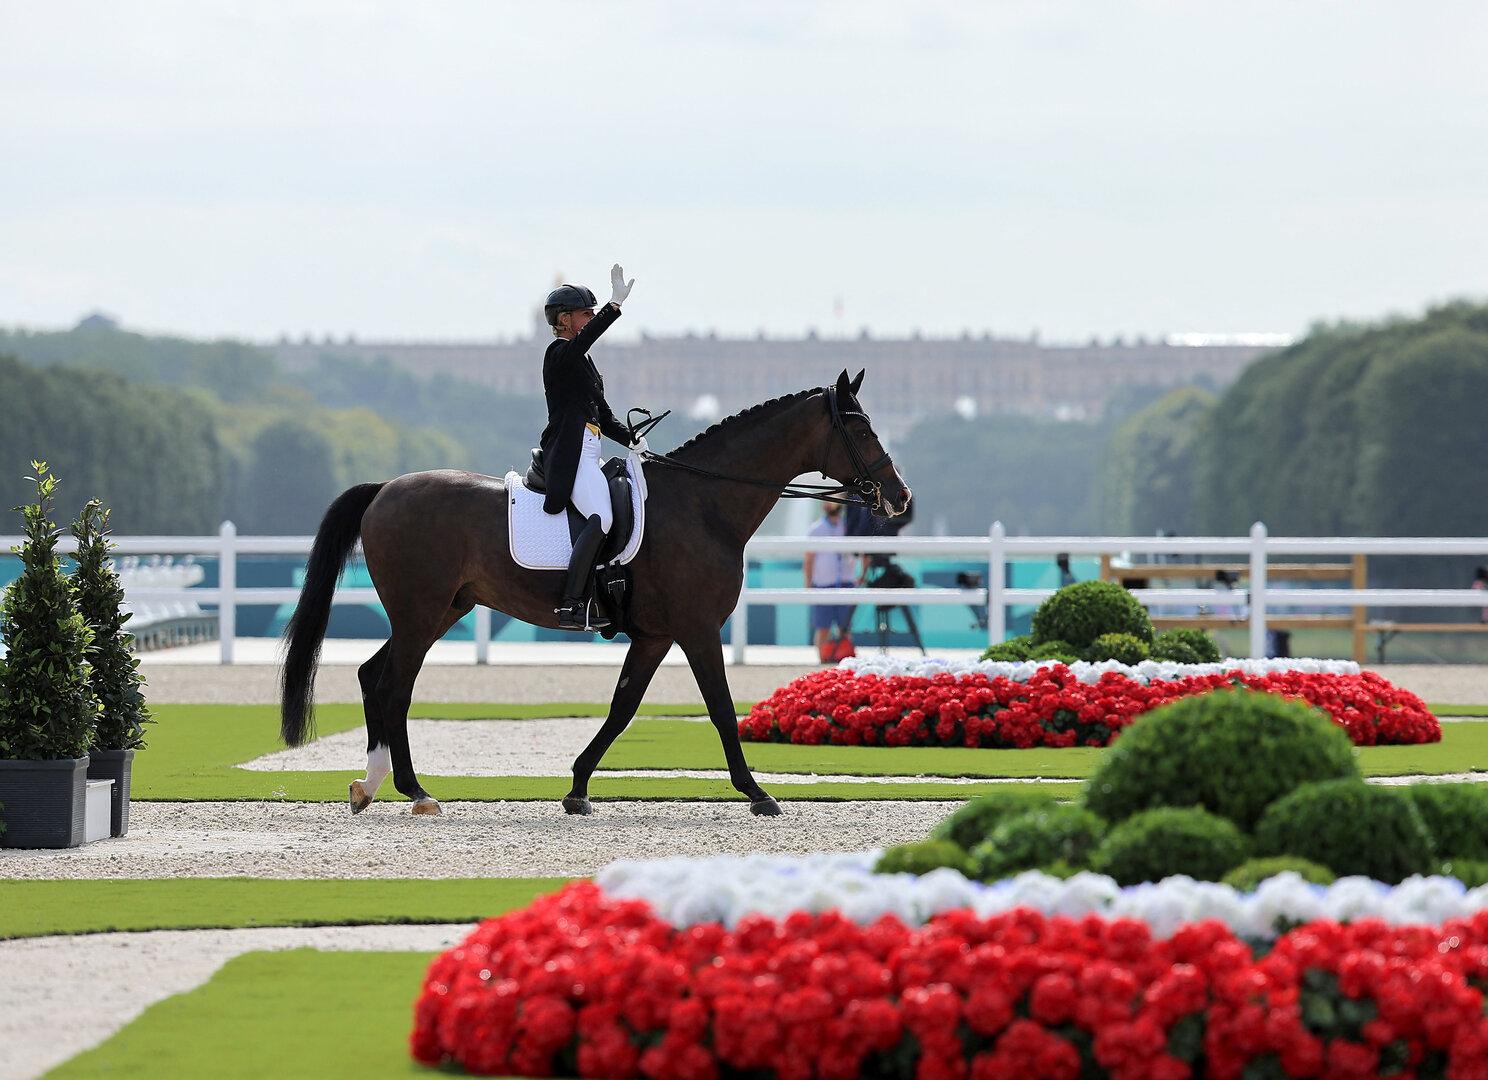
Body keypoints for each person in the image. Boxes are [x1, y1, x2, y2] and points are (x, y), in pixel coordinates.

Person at [538, 264, 642, 630]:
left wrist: (631, 438)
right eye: (587, 313)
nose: (592, 317)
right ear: (565, 320)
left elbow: (603, 412)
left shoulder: (582, 360)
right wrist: (614, 306)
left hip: (591, 449)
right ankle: (572, 603)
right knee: (602, 518)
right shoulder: (559, 353)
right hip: (571, 454)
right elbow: (586, 340)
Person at [805, 502, 860, 662]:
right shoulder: (816, 529)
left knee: (846, 628)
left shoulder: (848, 527)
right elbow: (809, 559)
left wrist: (861, 573)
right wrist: (808, 585)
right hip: (823, 583)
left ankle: (845, 659)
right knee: (823, 627)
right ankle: (822, 660)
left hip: (846, 582)